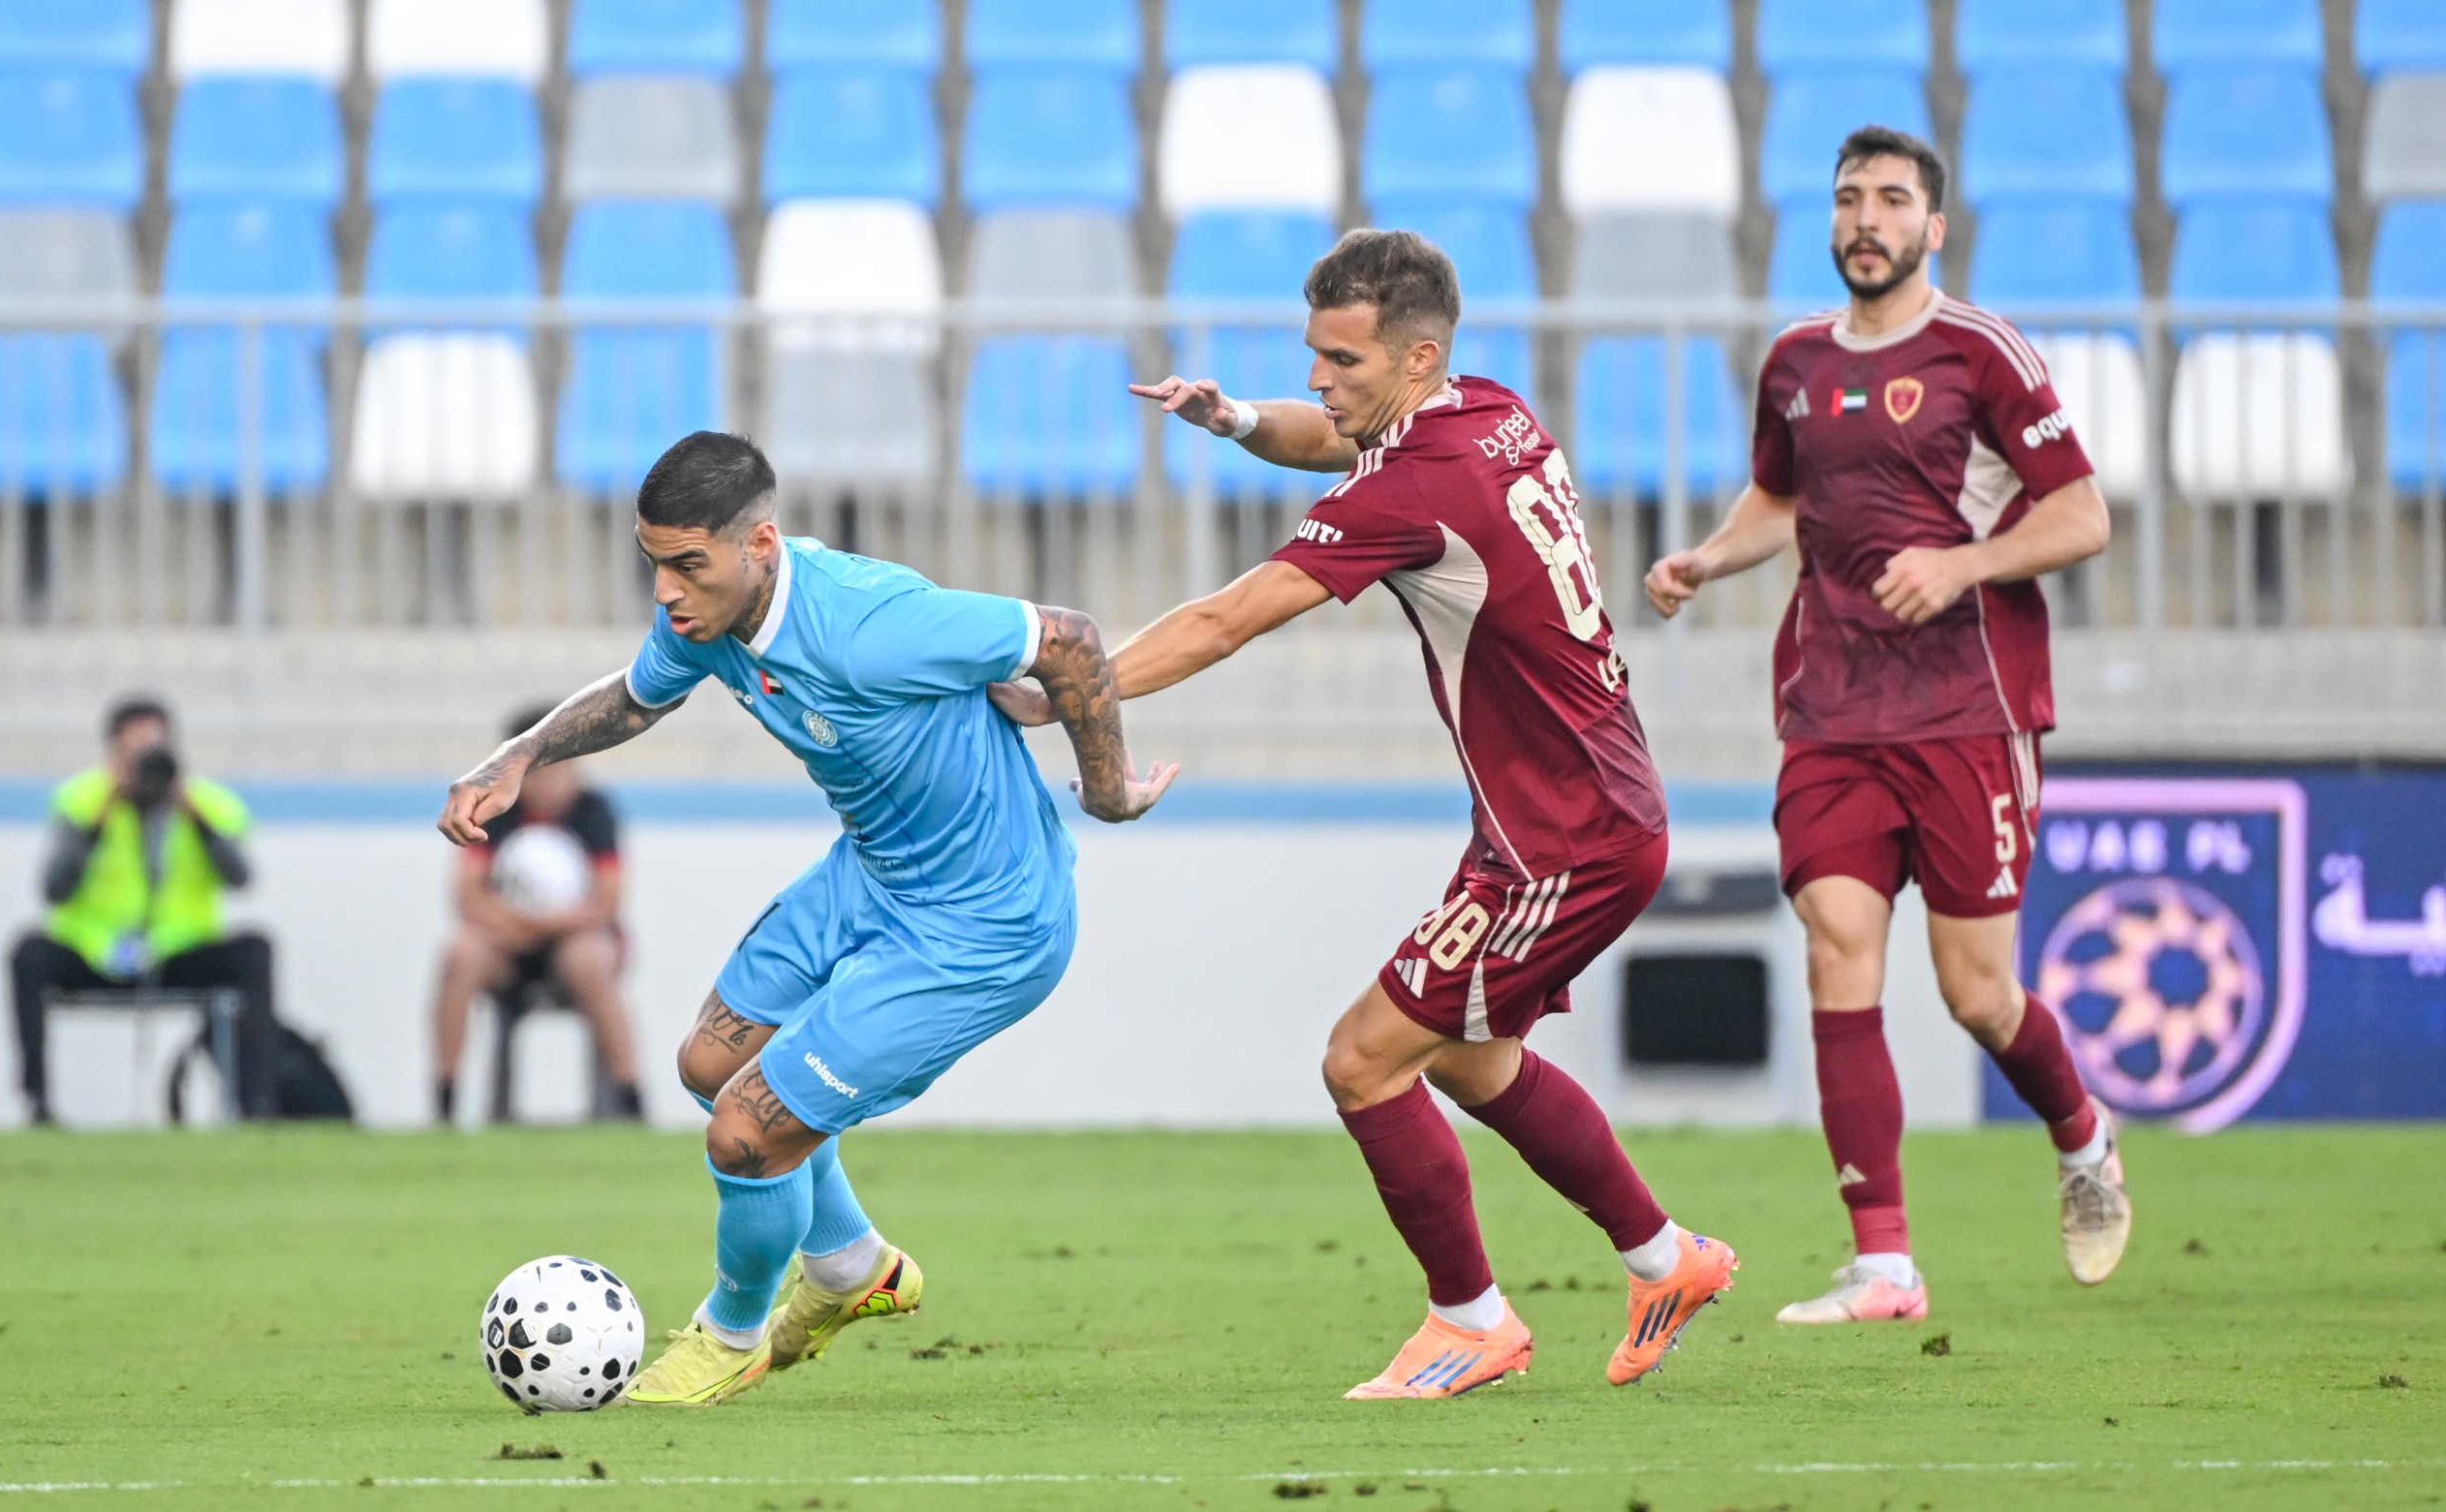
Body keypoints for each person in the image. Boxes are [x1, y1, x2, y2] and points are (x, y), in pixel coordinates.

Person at [997, 229, 1738, 1399]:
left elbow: (1225, 618)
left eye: (1339, 359)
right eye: (1313, 355)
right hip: (1569, 815)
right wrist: (1232, 420)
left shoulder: (1419, 485)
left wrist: (1066, 695)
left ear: (1414, 354)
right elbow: (1332, 440)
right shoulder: (1480, 411)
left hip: (1568, 840)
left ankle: (1471, 1320)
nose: (1317, 381)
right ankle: (1667, 1257)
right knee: (1474, 1064)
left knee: (1364, 1061)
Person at [437, 431, 1171, 1407]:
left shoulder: (872, 621)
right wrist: (519, 755)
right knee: (708, 1066)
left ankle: (732, 1332)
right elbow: (631, 699)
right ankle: (849, 1265)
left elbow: (1068, 637)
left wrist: (1108, 783)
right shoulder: (704, 620)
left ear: (762, 546)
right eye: (653, 562)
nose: (664, 590)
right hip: (869, 872)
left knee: (746, 1131)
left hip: (983, 923)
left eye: (686, 564)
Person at [1644, 126, 2127, 1324]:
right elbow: (1781, 496)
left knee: (1976, 996)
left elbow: (2080, 517)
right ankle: (1883, 1264)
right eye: (1850, 198)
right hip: (1830, 709)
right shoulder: (1795, 362)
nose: (1868, 219)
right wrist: (1706, 559)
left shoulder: (1981, 354)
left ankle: (2080, 1135)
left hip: (1968, 711)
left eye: (1892, 201)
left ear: (1933, 227)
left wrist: (1962, 566)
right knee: (1833, 949)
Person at [11, 696, 278, 1124]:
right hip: (96, 952)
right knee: (28, 953)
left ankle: (258, 1105)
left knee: (255, 950)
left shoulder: (207, 802)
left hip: (176, 951)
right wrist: (101, 814)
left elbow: (240, 879)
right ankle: (37, 1103)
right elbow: (54, 889)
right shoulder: (81, 800)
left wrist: (194, 815)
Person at [432, 704, 641, 1124]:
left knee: (590, 961)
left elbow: (606, 904)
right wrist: (519, 928)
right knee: (461, 955)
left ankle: (630, 1098)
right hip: (506, 944)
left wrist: (546, 927)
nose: (551, 782)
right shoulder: (493, 810)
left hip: (574, 940)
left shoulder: (593, 811)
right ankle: (445, 1099)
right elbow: (468, 899)